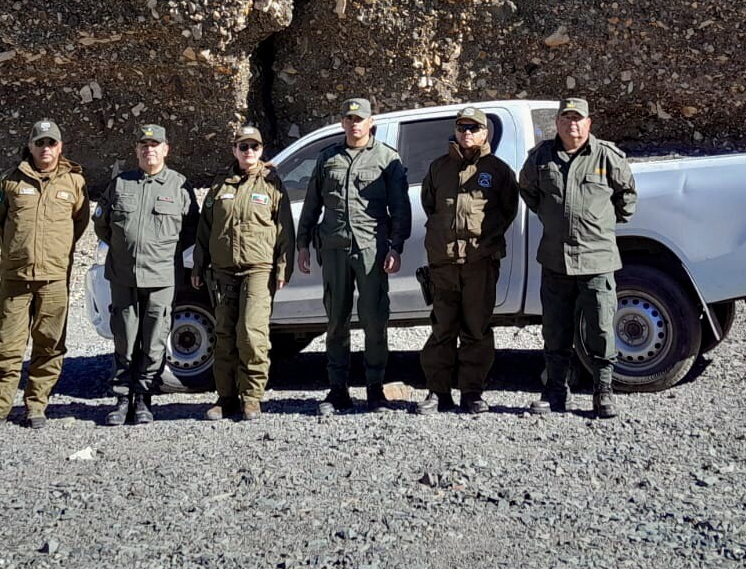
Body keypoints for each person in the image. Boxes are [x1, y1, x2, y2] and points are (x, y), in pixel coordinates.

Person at [519, 97, 637, 420]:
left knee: (600, 327)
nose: (573, 124)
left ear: (589, 123)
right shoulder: (541, 158)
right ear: (557, 123)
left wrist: (601, 226)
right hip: (556, 260)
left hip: (596, 260)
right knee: (555, 328)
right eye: (566, 118)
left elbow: (627, 197)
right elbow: (528, 191)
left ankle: (603, 392)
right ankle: (556, 391)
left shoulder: (606, 157)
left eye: (578, 119)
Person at [0, 119, 89, 432]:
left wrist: (55, 251)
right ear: (31, 145)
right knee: (6, 346)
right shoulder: (10, 180)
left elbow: (79, 222)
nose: (46, 149)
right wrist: (18, 249)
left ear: (60, 147)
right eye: (40, 143)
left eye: (52, 143)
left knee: (49, 344)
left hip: (53, 278)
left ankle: (37, 405)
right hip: (16, 277)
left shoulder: (74, 183)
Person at [296, 97, 410, 415]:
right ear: (343, 122)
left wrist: (396, 246)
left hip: (372, 249)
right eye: (349, 118)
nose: (354, 123)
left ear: (371, 122)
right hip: (333, 248)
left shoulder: (387, 158)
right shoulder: (327, 158)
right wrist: (303, 243)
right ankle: (337, 389)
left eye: (360, 118)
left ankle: (375, 389)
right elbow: (312, 205)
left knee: (374, 320)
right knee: (336, 320)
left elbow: (400, 207)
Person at [94, 123, 198, 426]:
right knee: (124, 338)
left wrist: (163, 252)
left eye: (155, 145)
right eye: (143, 145)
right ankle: (122, 398)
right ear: (137, 150)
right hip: (124, 276)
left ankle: (143, 399)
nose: (148, 150)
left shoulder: (179, 186)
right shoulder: (121, 183)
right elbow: (102, 223)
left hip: (161, 277)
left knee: (154, 341)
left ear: (166, 149)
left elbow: (191, 229)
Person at [417, 106, 519, 416]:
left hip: (479, 264)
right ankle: (438, 392)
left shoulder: (498, 171)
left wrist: (485, 244)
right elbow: (429, 205)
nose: (467, 133)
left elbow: (508, 211)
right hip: (444, 263)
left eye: (474, 128)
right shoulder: (438, 168)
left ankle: (473, 393)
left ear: (485, 133)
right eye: (462, 127)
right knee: (442, 329)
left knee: (476, 329)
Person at [191, 124, 295, 421]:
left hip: (258, 269)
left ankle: (251, 397)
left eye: (254, 147)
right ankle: (226, 397)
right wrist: (199, 263)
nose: (249, 152)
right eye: (243, 146)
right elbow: (205, 228)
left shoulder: (272, 185)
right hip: (223, 271)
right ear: (234, 150)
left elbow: (285, 229)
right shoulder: (219, 186)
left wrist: (283, 267)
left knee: (251, 333)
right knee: (224, 334)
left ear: (262, 150)